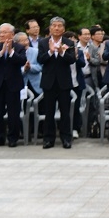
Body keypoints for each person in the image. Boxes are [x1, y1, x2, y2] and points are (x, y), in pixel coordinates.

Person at [37, 16, 76, 149]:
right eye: (54, 25)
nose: (57, 28)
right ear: (50, 27)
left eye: (60, 26)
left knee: (65, 112)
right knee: (49, 112)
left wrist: (61, 52)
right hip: (48, 82)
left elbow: (72, 60)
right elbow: (40, 59)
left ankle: (66, 138)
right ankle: (48, 139)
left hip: (64, 81)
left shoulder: (69, 43)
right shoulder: (43, 42)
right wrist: (50, 51)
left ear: (64, 29)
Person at [0, 23, 27, 148]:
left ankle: (13, 138)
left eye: (5, 32)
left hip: (13, 84)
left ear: (12, 34)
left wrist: (10, 52)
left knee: (13, 113)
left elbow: (22, 61)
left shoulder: (19, 47)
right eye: (1, 32)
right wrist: (2, 52)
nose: (2, 34)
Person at [14, 32, 42, 97]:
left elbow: (41, 67)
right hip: (21, 86)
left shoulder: (36, 51)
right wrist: (24, 69)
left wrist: (30, 67)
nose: (26, 42)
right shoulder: (14, 54)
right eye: (22, 41)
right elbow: (13, 71)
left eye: (26, 40)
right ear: (16, 43)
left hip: (37, 86)